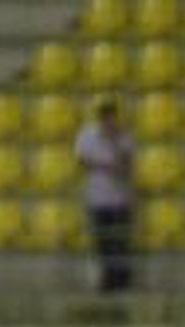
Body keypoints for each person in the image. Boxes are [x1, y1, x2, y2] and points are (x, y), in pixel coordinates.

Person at [74, 97, 135, 293]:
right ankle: (107, 282)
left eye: (112, 118)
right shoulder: (86, 136)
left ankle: (122, 283)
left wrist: (114, 143)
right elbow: (83, 161)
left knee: (120, 243)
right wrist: (106, 166)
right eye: (105, 118)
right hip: (97, 199)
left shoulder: (124, 137)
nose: (109, 123)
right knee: (103, 243)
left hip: (120, 199)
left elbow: (126, 166)